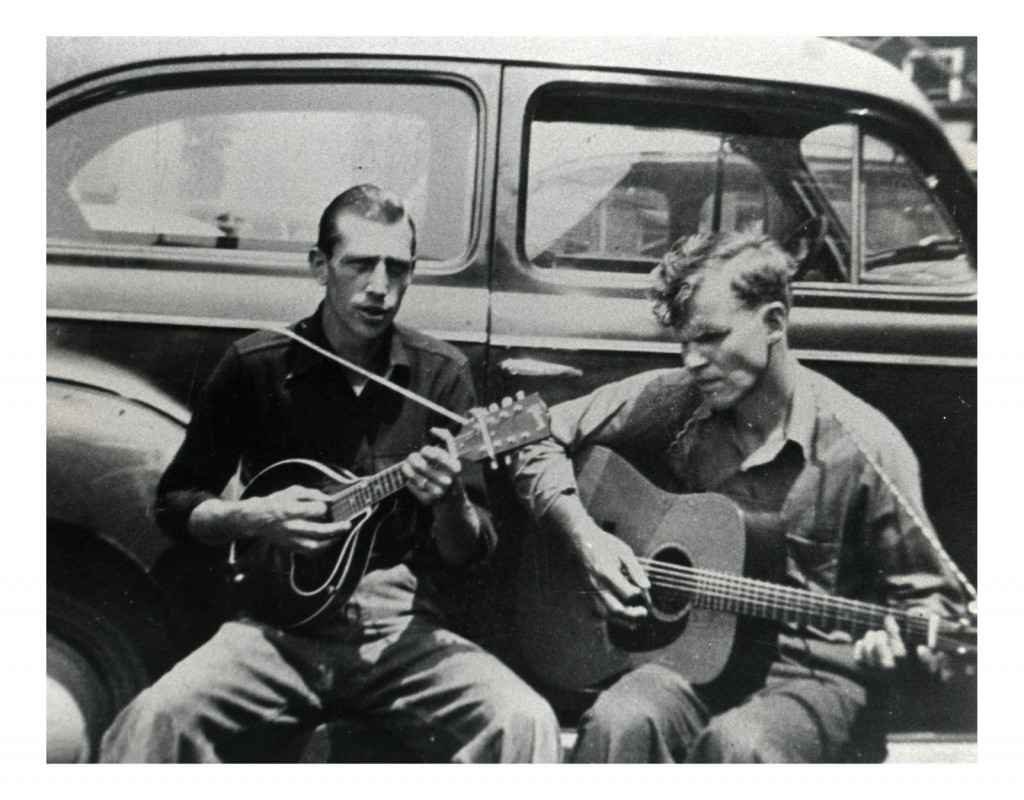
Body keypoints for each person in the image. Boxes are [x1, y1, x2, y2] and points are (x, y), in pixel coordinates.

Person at [100, 184, 561, 763]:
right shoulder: (257, 366)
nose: (379, 287)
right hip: (273, 630)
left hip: (399, 628)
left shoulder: (441, 375)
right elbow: (175, 503)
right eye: (360, 265)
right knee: (154, 717)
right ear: (320, 266)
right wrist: (254, 515)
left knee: (526, 721)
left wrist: (449, 502)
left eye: (397, 268)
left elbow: (469, 553)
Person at [512, 229, 972, 763]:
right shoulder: (679, 401)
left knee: (740, 749)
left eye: (710, 338)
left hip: (809, 676)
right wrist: (585, 537)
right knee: (621, 720)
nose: (691, 360)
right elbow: (529, 430)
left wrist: (898, 646)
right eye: (683, 341)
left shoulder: (866, 446)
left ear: (774, 322)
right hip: (697, 660)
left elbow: (931, 602)